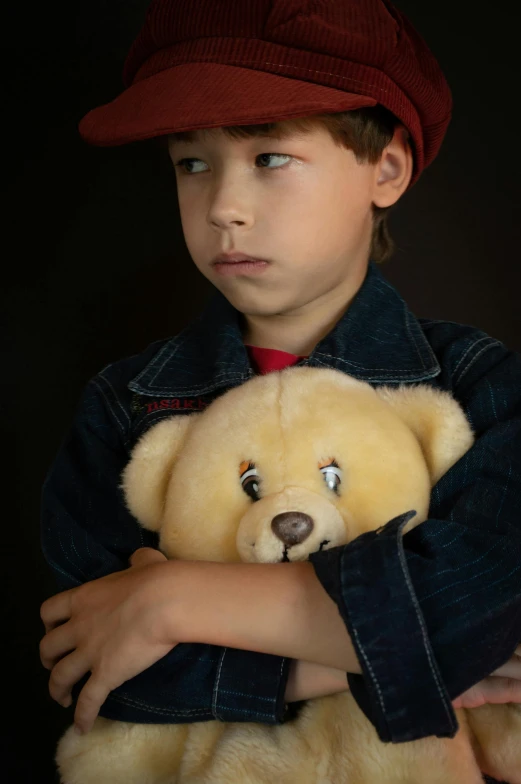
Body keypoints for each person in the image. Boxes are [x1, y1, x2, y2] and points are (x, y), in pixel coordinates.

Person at [39, 0, 520, 778]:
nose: (223, 207)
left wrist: (172, 603)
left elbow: (475, 605)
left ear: (386, 169)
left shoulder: (483, 389)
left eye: (269, 157)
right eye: (192, 163)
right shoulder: (123, 404)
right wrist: (406, 659)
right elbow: (95, 671)